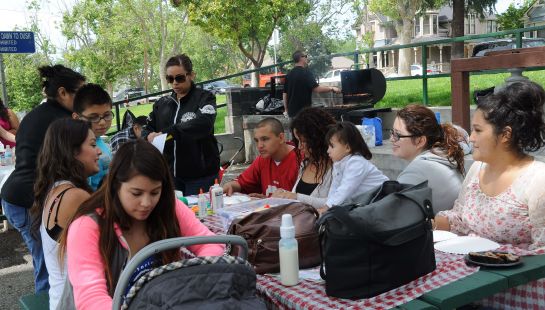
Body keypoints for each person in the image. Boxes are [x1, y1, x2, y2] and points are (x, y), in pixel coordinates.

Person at [59, 140, 225, 309]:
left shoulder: (168, 207)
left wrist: (196, 285)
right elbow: (91, 297)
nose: (146, 203)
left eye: (155, 192)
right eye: (136, 193)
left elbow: (210, 243)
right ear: (115, 185)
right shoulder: (87, 226)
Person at [1, 64, 86, 293]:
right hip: (26, 201)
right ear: (62, 93)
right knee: (49, 267)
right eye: (80, 93)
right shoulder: (61, 121)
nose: (84, 99)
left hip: (18, 195)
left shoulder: (38, 114)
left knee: (50, 263)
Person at [435, 80, 545, 251]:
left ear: (505, 134)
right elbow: (460, 218)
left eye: (478, 130)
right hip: (470, 265)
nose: (471, 138)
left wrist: (497, 259)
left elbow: (542, 252)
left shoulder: (538, 180)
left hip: (513, 275)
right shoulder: (477, 169)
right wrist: (430, 224)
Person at [30, 119, 99, 309]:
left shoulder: (57, 189)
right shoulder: (75, 196)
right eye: (93, 145)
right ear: (72, 152)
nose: (99, 151)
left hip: (62, 299)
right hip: (74, 303)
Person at [143, 54, 219, 196]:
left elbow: (204, 124)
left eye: (179, 78)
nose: (175, 83)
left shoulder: (205, 98)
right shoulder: (162, 104)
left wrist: (170, 133)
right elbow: (147, 128)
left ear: (191, 75)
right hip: (170, 176)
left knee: (200, 216)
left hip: (201, 176)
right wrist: (148, 136)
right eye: (170, 79)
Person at [391, 104, 465, 214]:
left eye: (397, 135)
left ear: (420, 141)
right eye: (392, 132)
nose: (391, 139)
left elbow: (392, 213)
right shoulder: (442, 156)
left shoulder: (416, 172)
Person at [272, 107, 336, 208]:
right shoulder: (305, 163)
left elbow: (335, 203)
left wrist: (295, 197)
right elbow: (296, 197)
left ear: (319, 139)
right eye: (297, 141)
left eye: (304, 141)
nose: (299, 147)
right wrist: (283, 195)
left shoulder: (338, 167)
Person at [223, 117, 299, 198]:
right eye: (256, 140)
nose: (259, 146)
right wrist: (230, 185)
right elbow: (242, 183)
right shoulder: (262, 159)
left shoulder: (300, 160)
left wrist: (268, 200)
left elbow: (306, 201)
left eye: (265, 139)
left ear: (281, 138)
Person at [325, 121, 388, 207]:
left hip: (385, 199)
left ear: (347, 147)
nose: (328, 151)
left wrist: (328, 206)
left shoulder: (356, 162)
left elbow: (346, 189)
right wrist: (327, 205)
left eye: (332, 146)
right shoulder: (339, 164)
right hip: (371, 202)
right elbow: (334, 189)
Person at [72, 83, 114, 191]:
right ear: (76, 118)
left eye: (107, 115)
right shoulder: (79, 151)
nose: (102, 122)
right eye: (94, 117)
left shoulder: (101, 141)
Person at [283, 50, 341, 118]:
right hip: (303, 113)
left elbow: (284, 94)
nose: (307, 58)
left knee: (294, 129)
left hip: (291, 113)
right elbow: (317, 89)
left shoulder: (288, 75)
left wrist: (286, 109)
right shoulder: (306, 73)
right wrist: (332, 88)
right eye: (306, 56)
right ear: (301, 58)